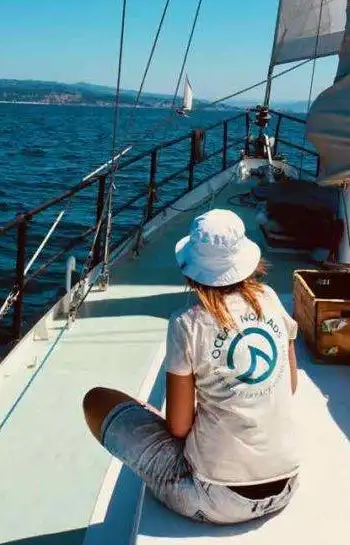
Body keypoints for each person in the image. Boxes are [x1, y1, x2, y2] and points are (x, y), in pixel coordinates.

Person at [83, 208, 299, 525]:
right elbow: (290, 384)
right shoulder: (269, 298)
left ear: (192, 269)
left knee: (97, 400)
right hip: (286, 487)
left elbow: (180, 428)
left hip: (216, 500)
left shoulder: (186, 324)